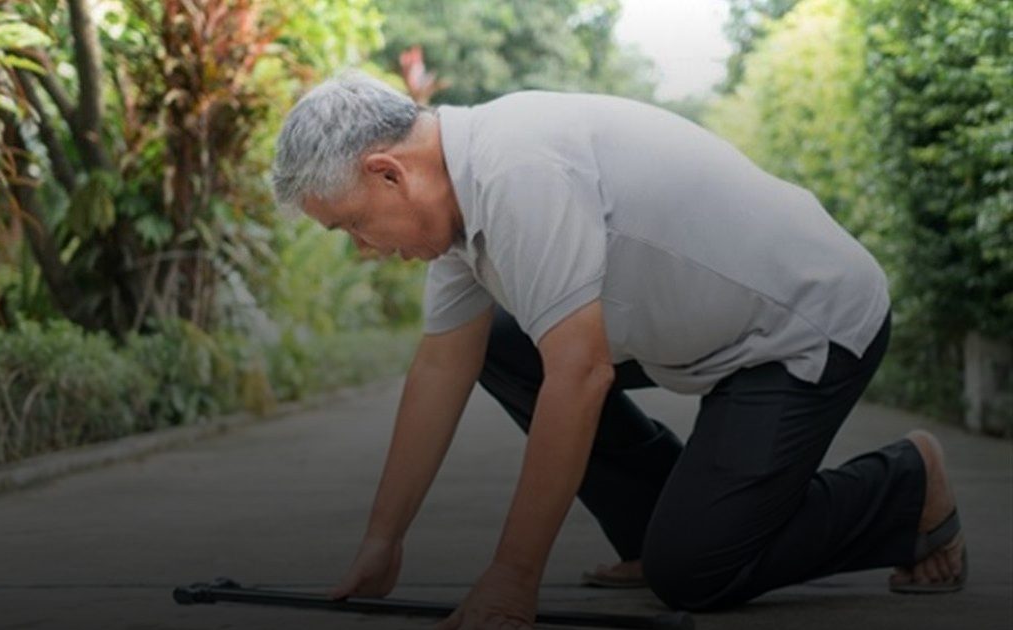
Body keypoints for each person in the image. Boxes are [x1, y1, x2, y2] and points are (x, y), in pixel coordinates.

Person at [269, 71, 967, 629]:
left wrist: (513, 578)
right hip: (712, 330)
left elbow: (579, 374)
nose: (364, 250)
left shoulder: (517, 171)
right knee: (501, 346)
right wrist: (382, 540)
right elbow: (440, 366)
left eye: (353, 227)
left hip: (806, 329)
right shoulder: (461, 198)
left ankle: (905, 486)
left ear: (389, 172)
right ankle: (656, 521)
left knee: (694, 574)